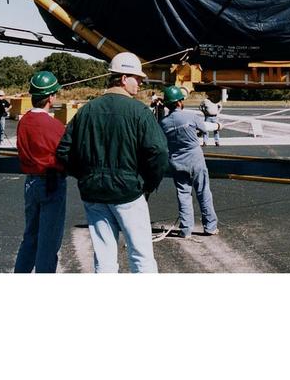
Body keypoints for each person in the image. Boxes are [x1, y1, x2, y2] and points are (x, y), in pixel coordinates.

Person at [56, 51, 169, 273]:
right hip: (128, 194)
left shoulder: (87, 110)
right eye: (137, 79)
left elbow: (63, 151)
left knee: (104, 258)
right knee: (141, 256)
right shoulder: (140, 111)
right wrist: (147, 184)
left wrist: (86, 175)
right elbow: (159, 151)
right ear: (124, 78)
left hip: (94, 194)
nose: (140, 84)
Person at [14, 71, 67, 273]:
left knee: (30, 236)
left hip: (31, 182)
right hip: (52, 183)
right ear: (51, 97)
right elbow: (64, 154)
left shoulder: (24, 121)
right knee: (49, 241)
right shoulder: (54, 125)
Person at [158, 85, 220, 238]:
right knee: (203, 192)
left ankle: (186, 230)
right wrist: (219, 125)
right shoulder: (191, 116)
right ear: (180, 102)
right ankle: (210, 227)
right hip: (195, 160)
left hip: (177, 162)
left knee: (183, 195)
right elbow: (205, 128)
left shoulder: (163, 123)